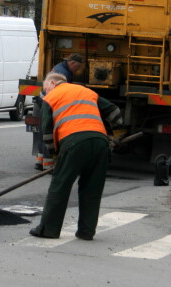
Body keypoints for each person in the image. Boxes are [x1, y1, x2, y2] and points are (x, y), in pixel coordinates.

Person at [29, 72, 121, 240]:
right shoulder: (86, 91)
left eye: (45, 88)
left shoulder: (50, 98)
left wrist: (54, 158)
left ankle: (48, 230)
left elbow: (47, 133)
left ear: (52, 83)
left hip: (74, 142)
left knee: (60, 186)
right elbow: (115, 112)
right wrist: (113, 137)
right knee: (92, 189)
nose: (44, 92)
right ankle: (86, 232)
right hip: (100, 143)